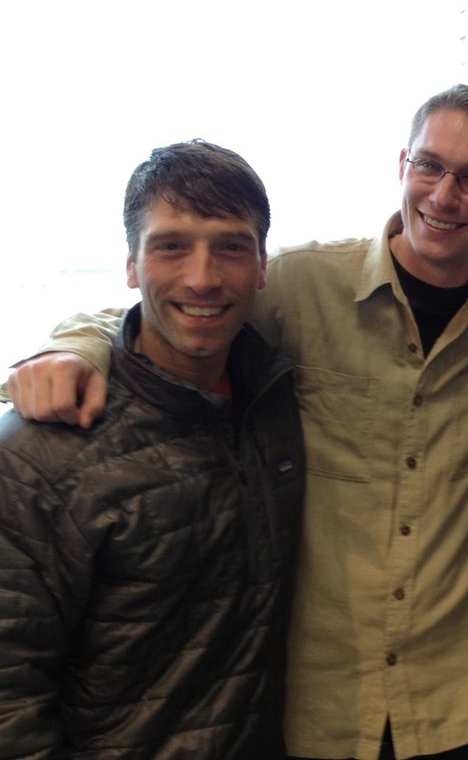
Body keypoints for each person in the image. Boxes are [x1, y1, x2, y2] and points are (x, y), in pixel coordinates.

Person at [3, 85, 468, 760]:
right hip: (314, 707)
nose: (445, 195)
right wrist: (72, 345)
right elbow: (182, 304)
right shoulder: (298, 286)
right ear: (402, 165)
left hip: (460, 705)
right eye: (429, 166)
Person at [0, 140, 305, 757]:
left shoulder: (275, 401)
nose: (203, 277)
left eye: (231, 246)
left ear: (261, 266)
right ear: (132, 266)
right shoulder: (41, 450)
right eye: (171, 246)